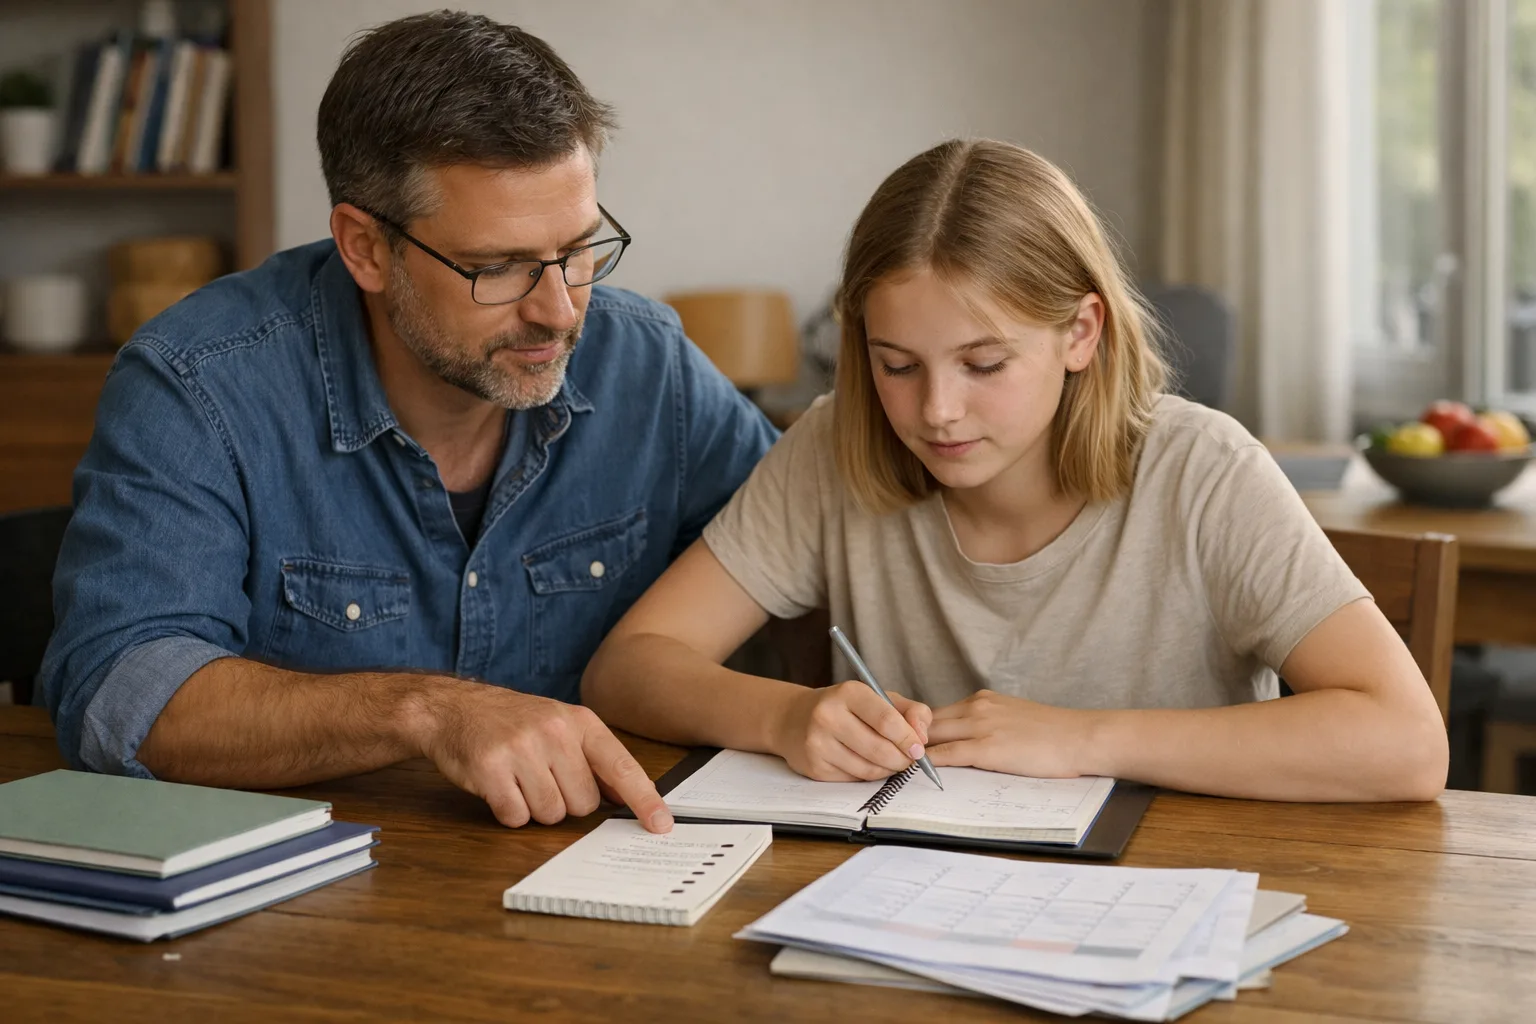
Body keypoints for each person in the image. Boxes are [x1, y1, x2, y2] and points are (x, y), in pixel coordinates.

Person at [40, 12, 778, 833]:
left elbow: (803, 546)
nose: (560, 311)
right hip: (313, 887)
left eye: (577, 250)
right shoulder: (197, 383)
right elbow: (120, 693)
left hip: (601, 865)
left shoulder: (648, 364)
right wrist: (426, 711)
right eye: (497, 268)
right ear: (365, 248)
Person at [583, 139, 1448, 802]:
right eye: (896, 364)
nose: (937, 410)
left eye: (984, 364)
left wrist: (1082, 740)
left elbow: (1407, 744)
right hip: (911, 900)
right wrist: (783, 715)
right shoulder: (835, 443)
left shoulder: (1204, 472)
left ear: (1081, 333)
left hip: (1168, 896)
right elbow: (626, 668)